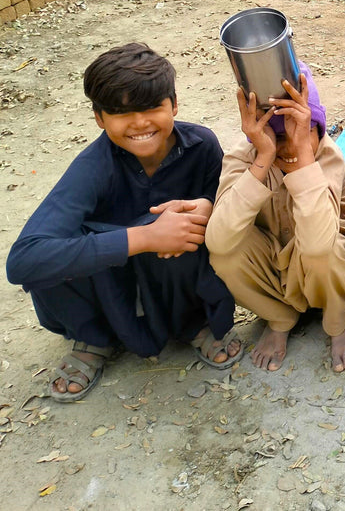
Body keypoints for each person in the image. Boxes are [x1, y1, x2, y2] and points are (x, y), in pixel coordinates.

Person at [6, 43, 241, 401]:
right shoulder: (93, 168)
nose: (139, 123)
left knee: (190, 232)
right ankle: (92, 338)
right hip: (108, 284)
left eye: (151, 107)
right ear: (99, 119)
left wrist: (209, 208)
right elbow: (23, 261)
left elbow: (227, 204)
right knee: (59, 254)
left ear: (174, 104)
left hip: (171, 278)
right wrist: (143, 238)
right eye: (120, 112)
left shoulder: (202, 147)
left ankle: (192, 324)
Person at [205, 62, 345, 372]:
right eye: (277, 138)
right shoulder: (245, 156)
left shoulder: (326, 156)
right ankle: (279, 317)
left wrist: (305, 157)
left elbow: (319, 245)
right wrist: (263, 158)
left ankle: (339, 317)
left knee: (326, 249)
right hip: (273, 266)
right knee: (223, 255)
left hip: (323, 268)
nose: (290, 147)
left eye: (302, 133)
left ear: (317, 129)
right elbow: (218, 240)